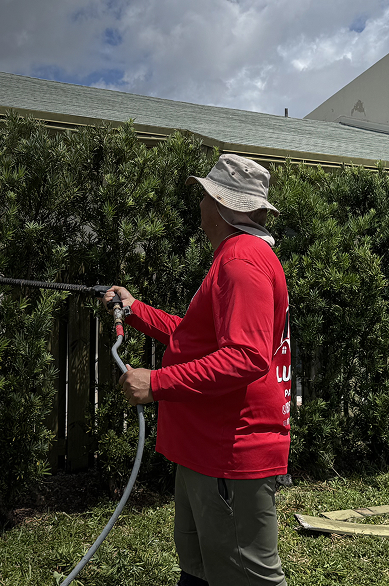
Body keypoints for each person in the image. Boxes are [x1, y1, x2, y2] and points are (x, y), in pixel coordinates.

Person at [103, 153, 291, 586]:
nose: (200, 205)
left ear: (223, 207)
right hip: (207, 452)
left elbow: (246, 356)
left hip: (230, 454)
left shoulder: (240, 262)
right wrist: (134, 310)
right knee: (199, 573)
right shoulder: (237, 255)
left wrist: (157, 383)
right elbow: (195, 337)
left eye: (205, 196)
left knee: (248, 579)